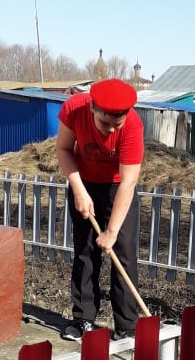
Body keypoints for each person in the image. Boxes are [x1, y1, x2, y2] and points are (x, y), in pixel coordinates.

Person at [56, 78, 144, 341]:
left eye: (117, 125)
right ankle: (83, 319)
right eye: (105, 123)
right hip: (83, 181)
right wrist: (79, 189)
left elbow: (128, 182)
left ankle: (127, 327)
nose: (110, 131)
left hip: (118, 188)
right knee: (85, 249)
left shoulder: (133, 126)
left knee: (123, 251)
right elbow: (63, 148)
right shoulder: (74, 108)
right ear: (92, 107)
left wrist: (112, 232)